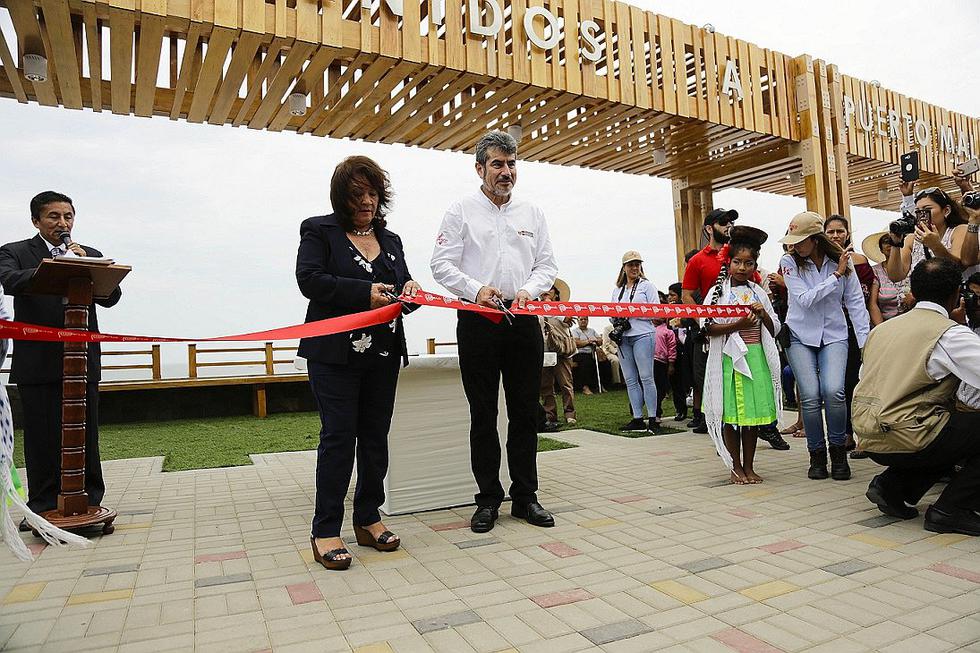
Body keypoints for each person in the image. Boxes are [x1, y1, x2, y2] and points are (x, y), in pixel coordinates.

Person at [297, 156, 421, 570]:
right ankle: (325, 530)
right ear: (341, 197)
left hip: (383, 354)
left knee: (374, 437)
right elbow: (309, 281)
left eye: (373, 193)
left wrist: (411, 293)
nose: (367, 201)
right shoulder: (319, 230)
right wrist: (364, 293)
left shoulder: (392, 239)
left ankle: (368, 518)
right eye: (357, 194)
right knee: (338, 438)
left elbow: (400, 289)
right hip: (334, 355)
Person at [430, 130, 558, 533]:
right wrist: (476, 290)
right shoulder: (460, 211)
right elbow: (441, 264)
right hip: (477, 322)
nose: (506, 172)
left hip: (523, 321)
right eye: (497, 164)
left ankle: (525, 498)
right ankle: (487, 499)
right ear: (480, 168)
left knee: (525, 413)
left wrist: (529, 290)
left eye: (512, 164)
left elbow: (547, 265)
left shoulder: (532, 213)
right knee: (483, 414)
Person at [0, 191, 122, 529]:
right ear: (36, 220)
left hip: (81, 361)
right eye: (54, 216)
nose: (62, 223)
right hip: (37, 361)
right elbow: (9, 280)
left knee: (86, 434)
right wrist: (55, 268)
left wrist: (85, 265)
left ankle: (90, 501)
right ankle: (42, 506)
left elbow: (111, 295)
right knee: (42, 436)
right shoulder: (15, 252)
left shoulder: (87, 254)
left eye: (68, 216)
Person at [854, 258, 980, 536]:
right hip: (910, 435)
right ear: (955, 294)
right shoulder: (949, 334)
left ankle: (892, 487)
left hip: (868, 436)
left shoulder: (882, 330)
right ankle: (951, 510)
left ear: (913, 290)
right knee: (949, 428)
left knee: (948, 430)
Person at [779, 211, 870, 481]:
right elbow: (805, 300)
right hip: (799, 335)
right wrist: (836, 276)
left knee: (834, 391)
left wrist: (865, 345)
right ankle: (816, 455)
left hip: (834, 334)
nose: (795, 246)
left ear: (815, 239)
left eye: (800, 240)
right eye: (792, 240)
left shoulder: (842, 261)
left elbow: (856, 303)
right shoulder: (789, 262)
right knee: (809, 395)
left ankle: (839, 452)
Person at [702, 226, 781, 484]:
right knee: (730, 416)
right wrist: (738, 325)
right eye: (737, 261)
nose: (742, 267)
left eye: (749, 263)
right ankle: (735, 466)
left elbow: (775, 328)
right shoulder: (717, 293)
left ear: (755, 265)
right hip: (728, 359)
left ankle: (749, 466)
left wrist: (763, 314)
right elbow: (707, 328)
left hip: (756, 358)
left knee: (751, 418)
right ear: (728, 261)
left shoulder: (759, 293)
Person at [683, 208, 738, 433]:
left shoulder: (738, 255)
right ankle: (717, 425)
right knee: (710, 378)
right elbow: (687, 295)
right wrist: (702, 321)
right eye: (723, 222)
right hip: (712, 330)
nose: (729, 226)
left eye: (731, 222)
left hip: (742, 328)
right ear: (709, 228)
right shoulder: (697, 260)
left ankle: (766, 426)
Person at [824, 215, 874, 458]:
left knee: (859, 382)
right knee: (839, 385)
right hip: (833, 331)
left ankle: (864, 436)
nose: (835, 235)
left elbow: (866, 297)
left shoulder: (860, 261)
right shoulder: (822, 262)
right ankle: (845, 433)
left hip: (857, 328)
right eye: (830, 231)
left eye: (840, 231)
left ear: (847, 233)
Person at [610, 251, 660, 433]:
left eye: (637, 264)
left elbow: (656, 312)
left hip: (643, 334)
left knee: (646, 377)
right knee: (630, 379)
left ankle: (653, 418)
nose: (634, 268)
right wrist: (618, 320)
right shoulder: (618, 290)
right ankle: (637, 417)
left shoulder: (647, 286)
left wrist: (632, 313)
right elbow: (611, 314)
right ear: (623, 268)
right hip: (624, 337)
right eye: (631, 264)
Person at [885, 184, 975, 283]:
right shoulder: (911, 239)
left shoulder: (959, 230)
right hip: (922, 292)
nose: (922, 214)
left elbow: (959, 268)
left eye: (927, 209)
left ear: (946, 211)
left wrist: (935, 246)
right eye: (918, 211)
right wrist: (895, 244)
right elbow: (896, 277)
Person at [539, 282, 576, 431]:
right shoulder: (536, 308)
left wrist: (551, 306)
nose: (546, 291)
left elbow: (568, 321)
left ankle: (570, 413)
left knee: (565, 383)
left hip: (561, 350)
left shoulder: (562, 308)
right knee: (546, 385)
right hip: (544, 350)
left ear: (556, 292)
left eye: (549, 289)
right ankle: (550, 414)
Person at [861, 231, 911, 325]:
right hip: (886, 323)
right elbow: (872, 304)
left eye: (894, 240)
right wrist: (881, 329)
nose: (890, 244)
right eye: (886, 241)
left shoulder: (911, 267)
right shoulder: (875, 271)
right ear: (881, 249)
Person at [666, 283, 693, 422]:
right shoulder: (668, 312)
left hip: (687, 349)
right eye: (668, 295)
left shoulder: (688, 309)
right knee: (676, 382)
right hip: (674, 350)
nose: (670, 298)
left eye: (673, 295)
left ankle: (697, 411)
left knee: (689, 380)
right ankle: (680, 409)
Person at [652, 315, 676, 424]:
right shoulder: (647, 328)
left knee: (660, 388)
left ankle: (657, 413)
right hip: (648, 361)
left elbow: (672, 348)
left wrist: (671, 364)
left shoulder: (668, 331)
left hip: (661, 362)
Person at [570, 315, 601, 394]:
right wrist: (588, 341)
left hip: (592, 353)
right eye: (581, 319)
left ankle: (599, 385)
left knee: (604, 362)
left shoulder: (592, 330)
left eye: (585, 319)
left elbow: (600, 341)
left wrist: (595, 340)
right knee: (586, 361)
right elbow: (577, 343)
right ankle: (585, 387)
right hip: (579, 353)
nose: (583, 321)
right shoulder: (575, 331)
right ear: (578, 321)